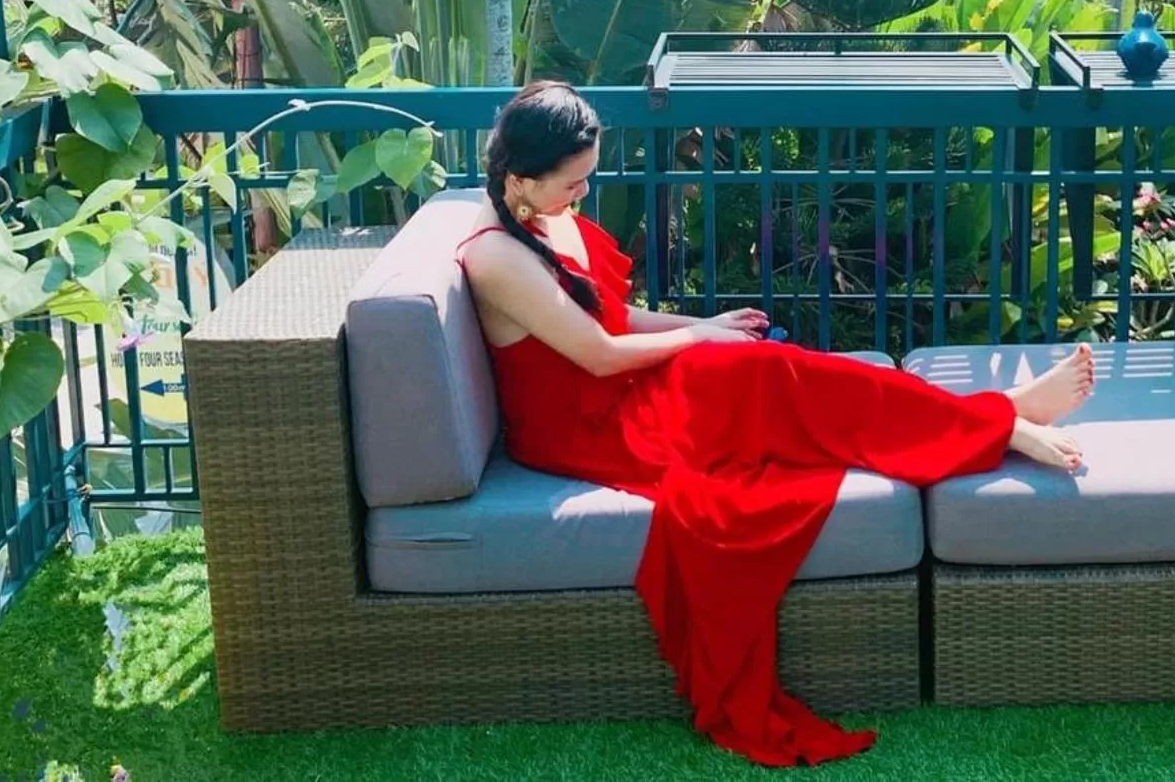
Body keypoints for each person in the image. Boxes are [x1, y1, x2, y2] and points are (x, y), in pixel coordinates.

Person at [459, 81, 1093, 766]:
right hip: (591, 426)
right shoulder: (495, 256)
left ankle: (993, 418)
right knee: (769, 377)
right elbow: (600, 352)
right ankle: (1002, 423)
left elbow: (616, 317)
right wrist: (701, 343)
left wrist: (702, 324)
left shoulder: (541, 211)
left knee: (782, 371)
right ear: (521, 178)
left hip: (624, 388)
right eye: (574, 184)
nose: (583, 194)